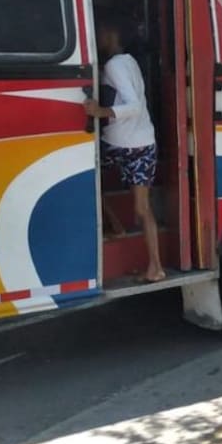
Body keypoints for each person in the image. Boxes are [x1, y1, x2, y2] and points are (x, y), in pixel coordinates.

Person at [84, 24, 165, 282]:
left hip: (118, 144)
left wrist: (100, 112)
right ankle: (156, 268)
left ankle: (116, 227)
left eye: (100, 32)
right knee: (143, 208)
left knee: (84, 178)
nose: (98, 37)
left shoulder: (114, 65)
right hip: (144, 143)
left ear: (112, 34)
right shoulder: (129, 62)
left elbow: (133, 106)